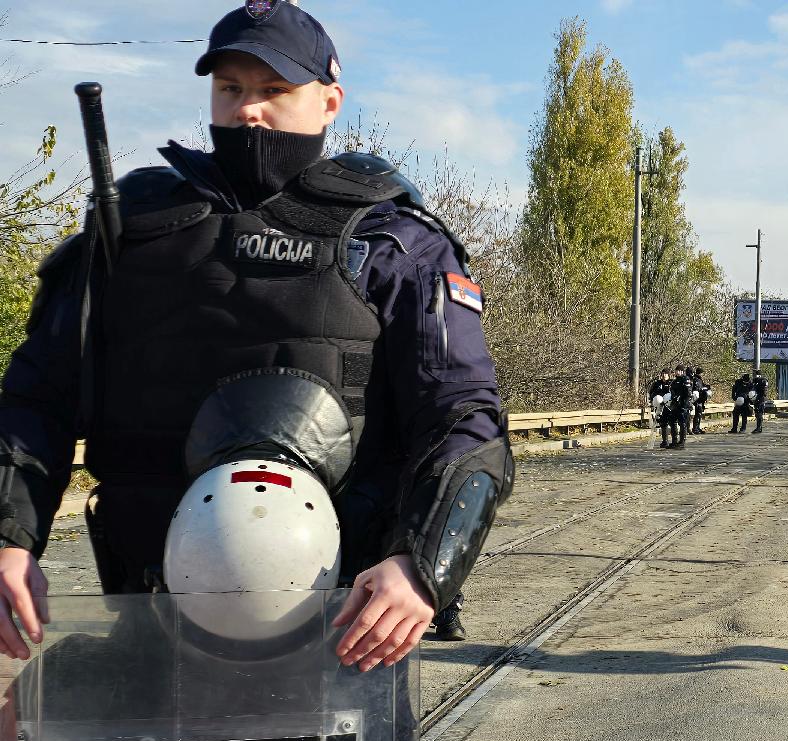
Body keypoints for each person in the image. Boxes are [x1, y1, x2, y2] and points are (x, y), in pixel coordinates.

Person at [0, 0, 517, 673]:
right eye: (231, 88)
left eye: (275, 90)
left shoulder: (393, 244)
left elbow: (466, 419)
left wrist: (422, 567)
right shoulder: (127, 235)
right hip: (149, 625)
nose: (249, 110)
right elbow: (32, 402)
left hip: (343, 635)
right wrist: (11, 537)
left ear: (329, 102)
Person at [668, 365, 693, 449]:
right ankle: (674, 441)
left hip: (683, 405)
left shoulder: (685, 380)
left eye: (678, 370)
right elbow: (672, 392)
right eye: (676, 370)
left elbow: (688, 394)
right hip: (675, 405)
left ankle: (682, 442)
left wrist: (685, 405)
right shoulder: (674, 381)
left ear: (682, 371)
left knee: (682, 423)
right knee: (672, 422)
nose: (676, 372)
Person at [649, 368, 674, 447]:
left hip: (669, 405)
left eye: (666, 374)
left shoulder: (672, 383)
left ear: (669, 375)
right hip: (659, 406)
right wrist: (655, 397)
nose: (664, 375)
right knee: (663, 423)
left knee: (672, 423)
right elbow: (651, 393)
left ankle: (674, 441)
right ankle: (665, 441)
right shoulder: (657, 383)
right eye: (663, 374)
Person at [691, 366, 711, 435]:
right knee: (698, 414)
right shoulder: (696, 380)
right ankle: (695, 428)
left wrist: (707, 387)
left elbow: (703, 386)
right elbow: (698, 389)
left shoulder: (699, 379)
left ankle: (697, 427)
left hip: (701, 399)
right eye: (702, 373)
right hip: (698, 400)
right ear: (700, 373)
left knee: (699, 414)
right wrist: (704, 388)